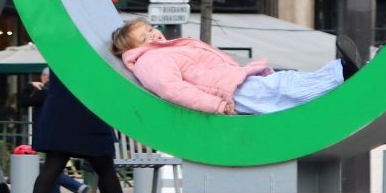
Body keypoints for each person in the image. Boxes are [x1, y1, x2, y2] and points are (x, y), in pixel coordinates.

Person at [112, 18, 345, 115]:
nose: (153, 35)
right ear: (134, 49)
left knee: (283, 84)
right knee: (283, 86)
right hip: (228, 93)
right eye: (144, 38)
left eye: (150, 29)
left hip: (232, 84)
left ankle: (337, 73)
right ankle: (339, 74)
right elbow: (172, 89)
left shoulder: (165, 51)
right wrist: (216, 105)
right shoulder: (151, 60)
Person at [21, 69, 152, 193]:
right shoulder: (91, 58)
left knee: (51, 169)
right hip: (88, 115)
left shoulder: (59, 58)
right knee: (105, 169)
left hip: (59, 116)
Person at [19, 71, 87, 193]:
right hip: (62, 134)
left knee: (48, 169)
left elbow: (23, 102)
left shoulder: (45, 91)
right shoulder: (65, 90)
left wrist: (29, 86)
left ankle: (79, 187)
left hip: (46, 136)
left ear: (46, 76)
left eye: (42, 76)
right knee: (52, 165)